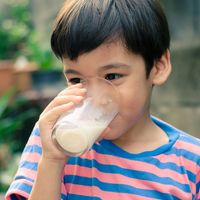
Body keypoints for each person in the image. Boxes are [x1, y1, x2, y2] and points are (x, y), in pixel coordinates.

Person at [5, 0, 200, 199]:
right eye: (77, 80)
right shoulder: (52, 142)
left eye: (112, 76)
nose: (96, 97)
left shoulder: (192, 163)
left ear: (158, 67)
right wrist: (52, 161)